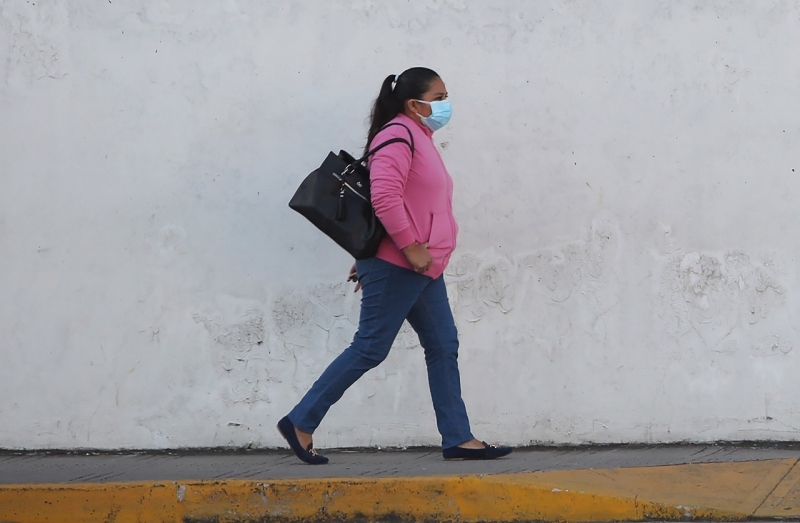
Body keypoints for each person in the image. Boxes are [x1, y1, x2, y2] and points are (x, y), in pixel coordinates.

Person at [278, 67, 512, 464]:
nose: (445, 104)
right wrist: (406, 248)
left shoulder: (419, 136)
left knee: (442, 345)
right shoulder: (397, 135)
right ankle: (301, 421)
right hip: (405, 263)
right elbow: (384, 196)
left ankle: (457, 438)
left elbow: (407, 201)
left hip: (422, 266)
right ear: (413, 103)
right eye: (439, 97)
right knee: (370, 347)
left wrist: (387, 253)